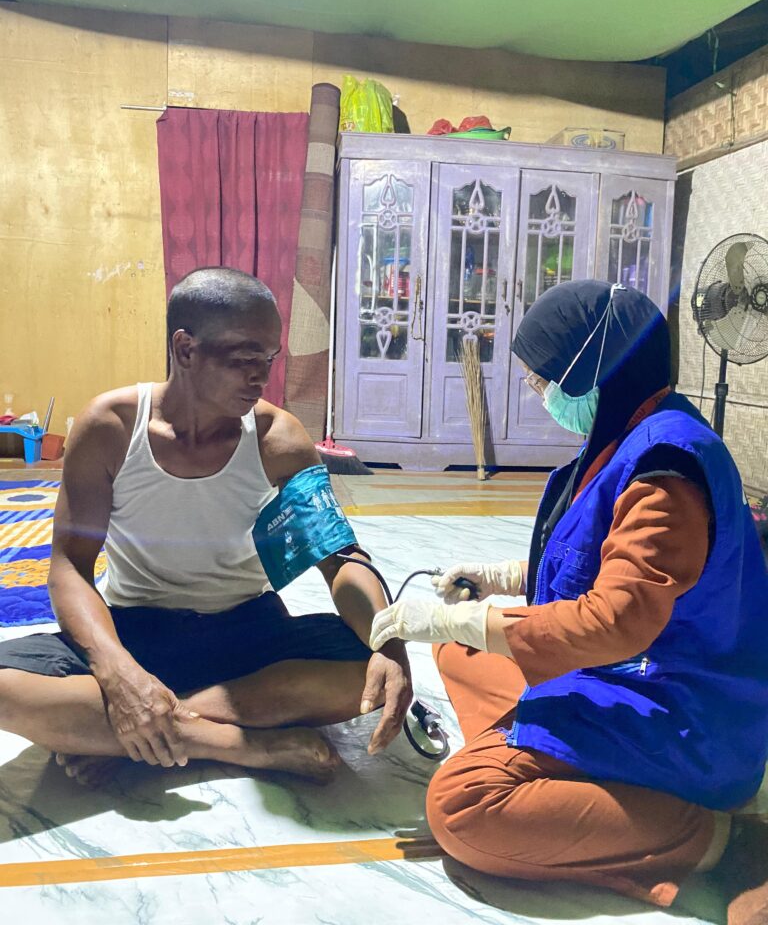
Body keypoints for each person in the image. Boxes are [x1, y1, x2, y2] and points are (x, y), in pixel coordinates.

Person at [371, 280, 768, 925]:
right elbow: (599, 560)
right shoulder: (635, 432)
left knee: (462, 807)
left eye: (544, 380)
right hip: (628, 676)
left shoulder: (666, 471)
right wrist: (501, 579)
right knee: (461, 653)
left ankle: (715, 838)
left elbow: (616, 619)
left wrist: (453, 616)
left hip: (680, 713)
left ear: (592, 372)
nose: (541, 394)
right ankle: (562, 773)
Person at [0, 268, 411, 786]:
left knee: (366, 669)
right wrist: (118, 673)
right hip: (136, 630)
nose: (261, 377)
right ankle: (236, 745)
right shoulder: (110, 428)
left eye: (269, 359)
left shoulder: (278, 440)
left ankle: (141, 734)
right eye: (243, 359)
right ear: (185, 348)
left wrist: (389, 644)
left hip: (250, 630)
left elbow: (341, 562)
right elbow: (69, 567)